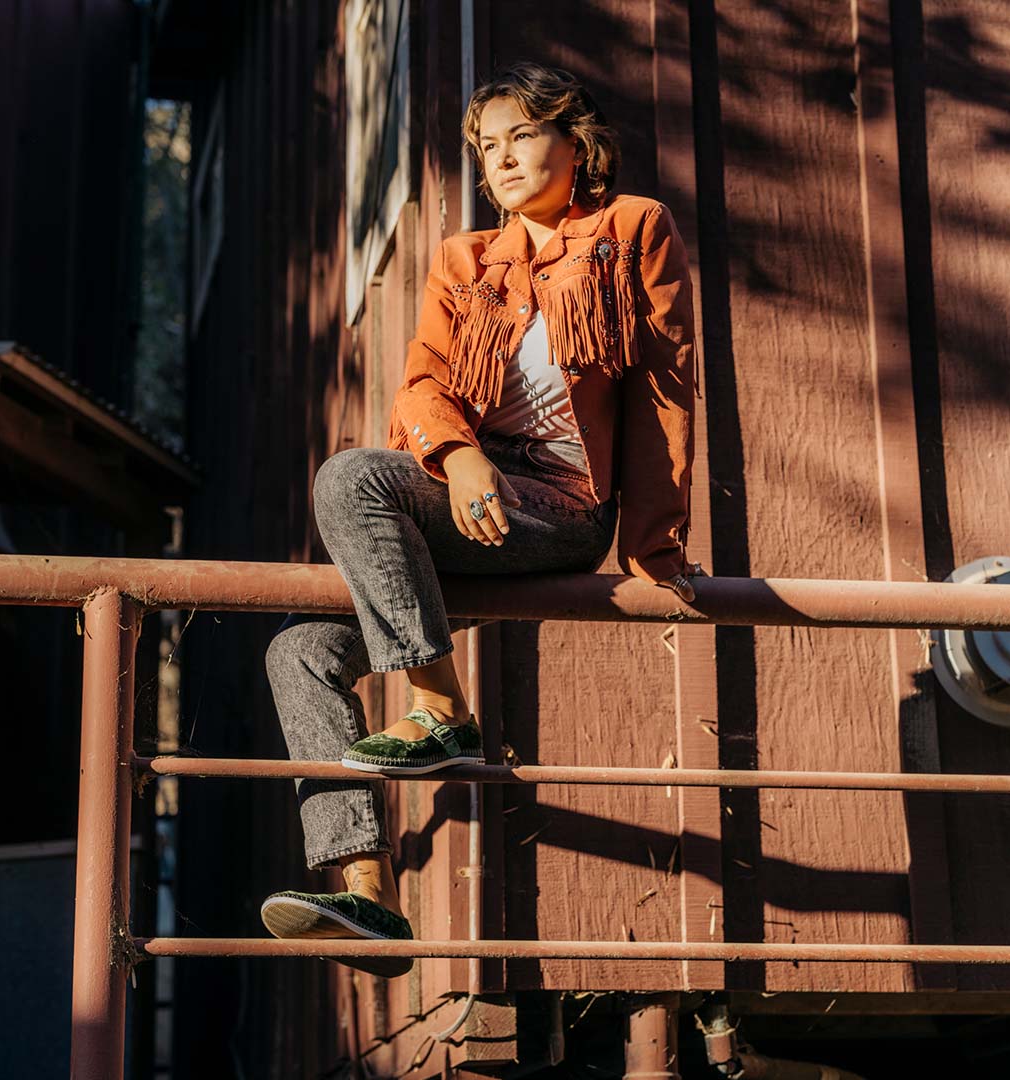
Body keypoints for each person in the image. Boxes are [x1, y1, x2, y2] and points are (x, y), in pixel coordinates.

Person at [259, 61, 699, 977]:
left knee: (350, 480)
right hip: (468, 495)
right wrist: (459, 458)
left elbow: (665, 385)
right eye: (487, 145)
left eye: (521, 136)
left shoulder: (631, 230)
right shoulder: (465, 260)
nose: (500, 158)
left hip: (562, 507)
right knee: (299, 649)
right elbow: (423, 384)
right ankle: (369, 894)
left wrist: (655, 547)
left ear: (575, 142)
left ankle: (438, 709)